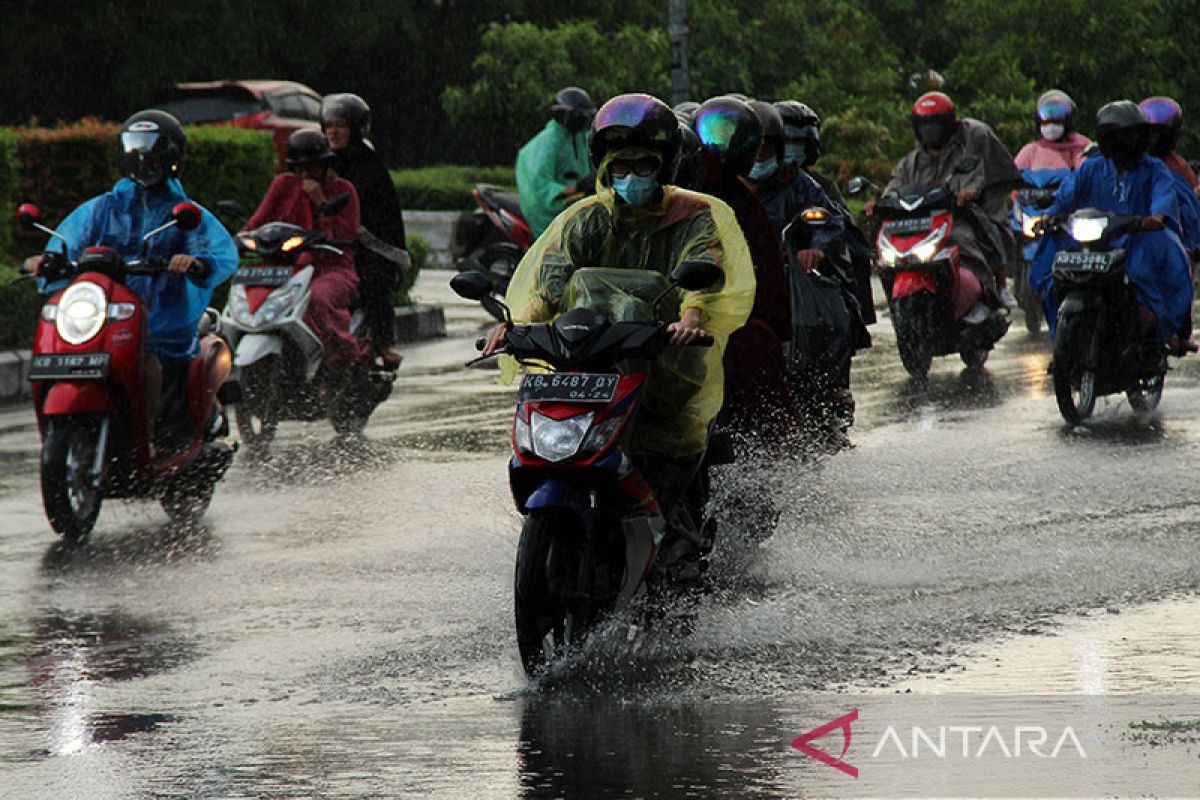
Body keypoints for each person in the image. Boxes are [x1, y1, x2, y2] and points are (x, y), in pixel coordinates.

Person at [483, 93, 755, 557]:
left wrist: (690, 318)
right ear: (605, 169)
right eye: (621, 167)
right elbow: (553, 279)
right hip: (590, 358)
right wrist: (517, 325)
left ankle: (674, 533)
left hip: (665, 357)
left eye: (643, 166)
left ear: (664, 166)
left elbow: (703, 270)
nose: (631, 177)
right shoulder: (587, 219)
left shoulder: (695, 215)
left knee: (666, 448)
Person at [26, 109, 238, 439]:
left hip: (162, 320)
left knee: (147, 360)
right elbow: (69, 239)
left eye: (151, 148)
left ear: (170, 155)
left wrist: (196, 262)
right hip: (106, 314)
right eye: (134, 146)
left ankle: (148, 437)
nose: (142, 156)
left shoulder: (183, 212)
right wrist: (48, 259)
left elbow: (219, 251)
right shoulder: (102, 208)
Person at [1031, 101, 1193, 348]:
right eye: (1117, 137)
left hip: (1137, 237)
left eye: (1131, 136)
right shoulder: (1092, 167)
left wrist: (1156, 217)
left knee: (1162, 262)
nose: (1125, 143)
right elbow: (1068, 195)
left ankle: (1156, 330)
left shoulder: (1154, 168)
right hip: (1096, 240)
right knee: (1054, 264)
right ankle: (1064, 342)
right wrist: (1049, 215)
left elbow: (1163, 196)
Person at [691, 96, 795, 442]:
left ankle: (761, 447)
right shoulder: (668, 196)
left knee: (753, 346)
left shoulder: (746, 206)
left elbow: (767, 286)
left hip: (723, 317)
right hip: (656, 313)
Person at [871, 91, 1022, 307]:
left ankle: (997, 286)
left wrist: (969, 191)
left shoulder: (969, 141)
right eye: (923, 124)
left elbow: (976, 173)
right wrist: (879, 203)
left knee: (981, 233)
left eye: (935, 123)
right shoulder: (912, 161)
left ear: (949, 122)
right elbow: (895, 186)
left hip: (960, 215)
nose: (929, 129)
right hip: (923, 223)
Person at [245, 129, 364, 368]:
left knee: (317, 299)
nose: (305, 174)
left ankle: (341, 359)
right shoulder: (283, 185)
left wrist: (321, 202)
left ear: (325, 164)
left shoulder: (344, 190)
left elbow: (346, 235)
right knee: (246, 292)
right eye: (299, 168)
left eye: (311, 167)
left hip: (332, 268)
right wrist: (240, 239)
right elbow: (257, 222)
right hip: (287, 267)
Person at [321, 93, 409, 367]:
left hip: (367, 247)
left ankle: (383, 341)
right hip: (326, 243)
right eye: (329, 125)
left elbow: (374, 216)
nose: (333, 132)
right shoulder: (322, 162)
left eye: (341, 125)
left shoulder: (371, 167)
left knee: (372, 280)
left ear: (356, 130)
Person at [776, 99, 878, 329]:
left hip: (807, 266)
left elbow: (837, 224)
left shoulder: (819, 186)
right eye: (787, 142)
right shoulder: (753, 181)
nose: (792, 149)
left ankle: (854, 322)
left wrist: (818, 250)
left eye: (799, 143)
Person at [515, 87, 595, 237]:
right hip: (548, 215)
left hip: (574, 208)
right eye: (580, 118)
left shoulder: (578, 137)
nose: (584, 122)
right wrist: (578, 187)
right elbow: (540, 188)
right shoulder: (548, 141)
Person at [1014, 90, 1092, 172]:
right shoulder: (1031, 151)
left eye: (1058, 117)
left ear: (1069, 121)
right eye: (1046, 115)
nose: (1051, 125)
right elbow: (1012, 178)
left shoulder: (1083, 148)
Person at [1140, 96, 1199, 191]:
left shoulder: (1180, 167)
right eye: (1152, 132)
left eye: (1162, 134)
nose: (1155, 139)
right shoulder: (1129, 162)